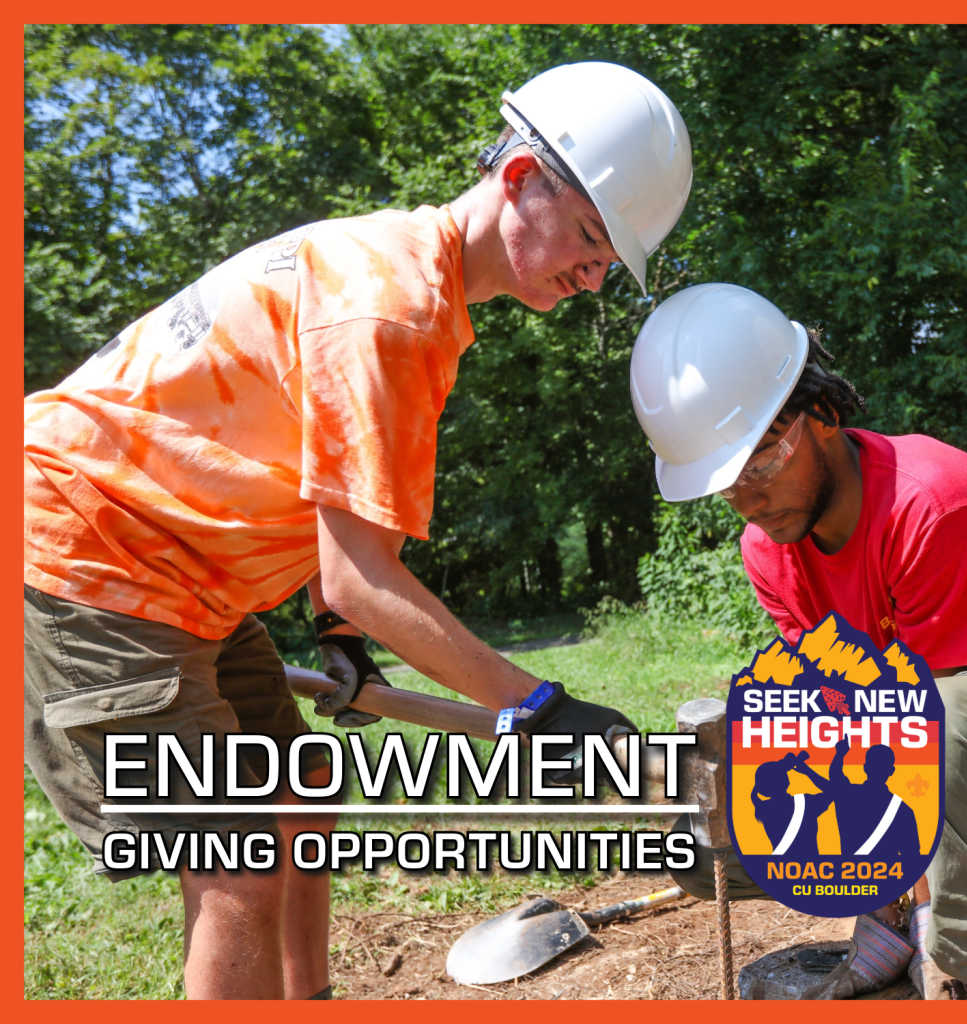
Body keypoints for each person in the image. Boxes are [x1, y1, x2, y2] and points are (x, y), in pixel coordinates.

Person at [24, 62, 693, 1000]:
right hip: (93, 556)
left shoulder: (414, 285)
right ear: (519, 181)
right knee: (238, 865)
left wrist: (338, 639)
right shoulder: (392, 309)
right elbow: (361, 577)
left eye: (609, 259)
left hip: (191, 577)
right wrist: (536, 710)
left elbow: (311, 498)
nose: (593, 275)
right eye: (590, 238)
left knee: (298, 802)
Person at [629, 283, 967, 999]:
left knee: (949, 723)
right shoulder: (771, 550)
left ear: (822, 415)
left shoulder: (934, 508)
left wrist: (921, 922)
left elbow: (948, 738)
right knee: (702, 803)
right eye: (727, 486)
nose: (750, 502)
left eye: (760, 466)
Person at [749, 751, 836, 857]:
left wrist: (782, 766)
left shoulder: (764, 809)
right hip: (809, 869)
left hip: (781, 869)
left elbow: (755, 793)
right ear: (785, 780)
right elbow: (833, 790)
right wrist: (806, 771)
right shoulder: (806, 803)